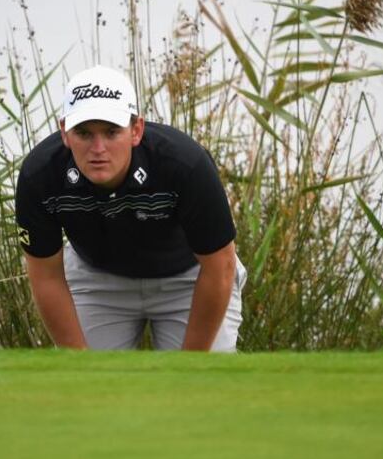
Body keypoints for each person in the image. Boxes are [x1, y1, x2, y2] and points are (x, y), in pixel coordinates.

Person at [15, 65, 246, 351]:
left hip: (189, 279)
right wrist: (81, 368)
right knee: (87, 388)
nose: (98, 148)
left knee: (200, 387)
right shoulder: (40, 175)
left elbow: (220, 266)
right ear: (64, 132)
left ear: (136, 130)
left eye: (112, 132)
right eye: (84, 133)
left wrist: (190, 367)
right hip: (96, 280)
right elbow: (46, 276)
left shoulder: (185, 164)